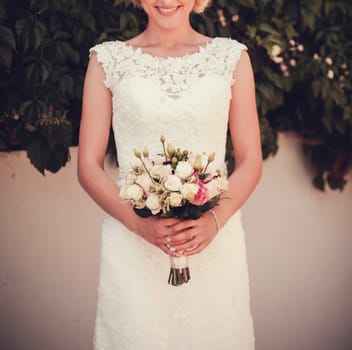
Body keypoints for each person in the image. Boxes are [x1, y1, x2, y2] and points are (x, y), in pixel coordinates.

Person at [78, 0, 262, 348]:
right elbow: (88, 164)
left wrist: (214, 221)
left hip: (214, 242)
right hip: (131, 242)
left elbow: (251, 158)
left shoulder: (231, 57)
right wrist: (138, 224)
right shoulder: (107, 60)